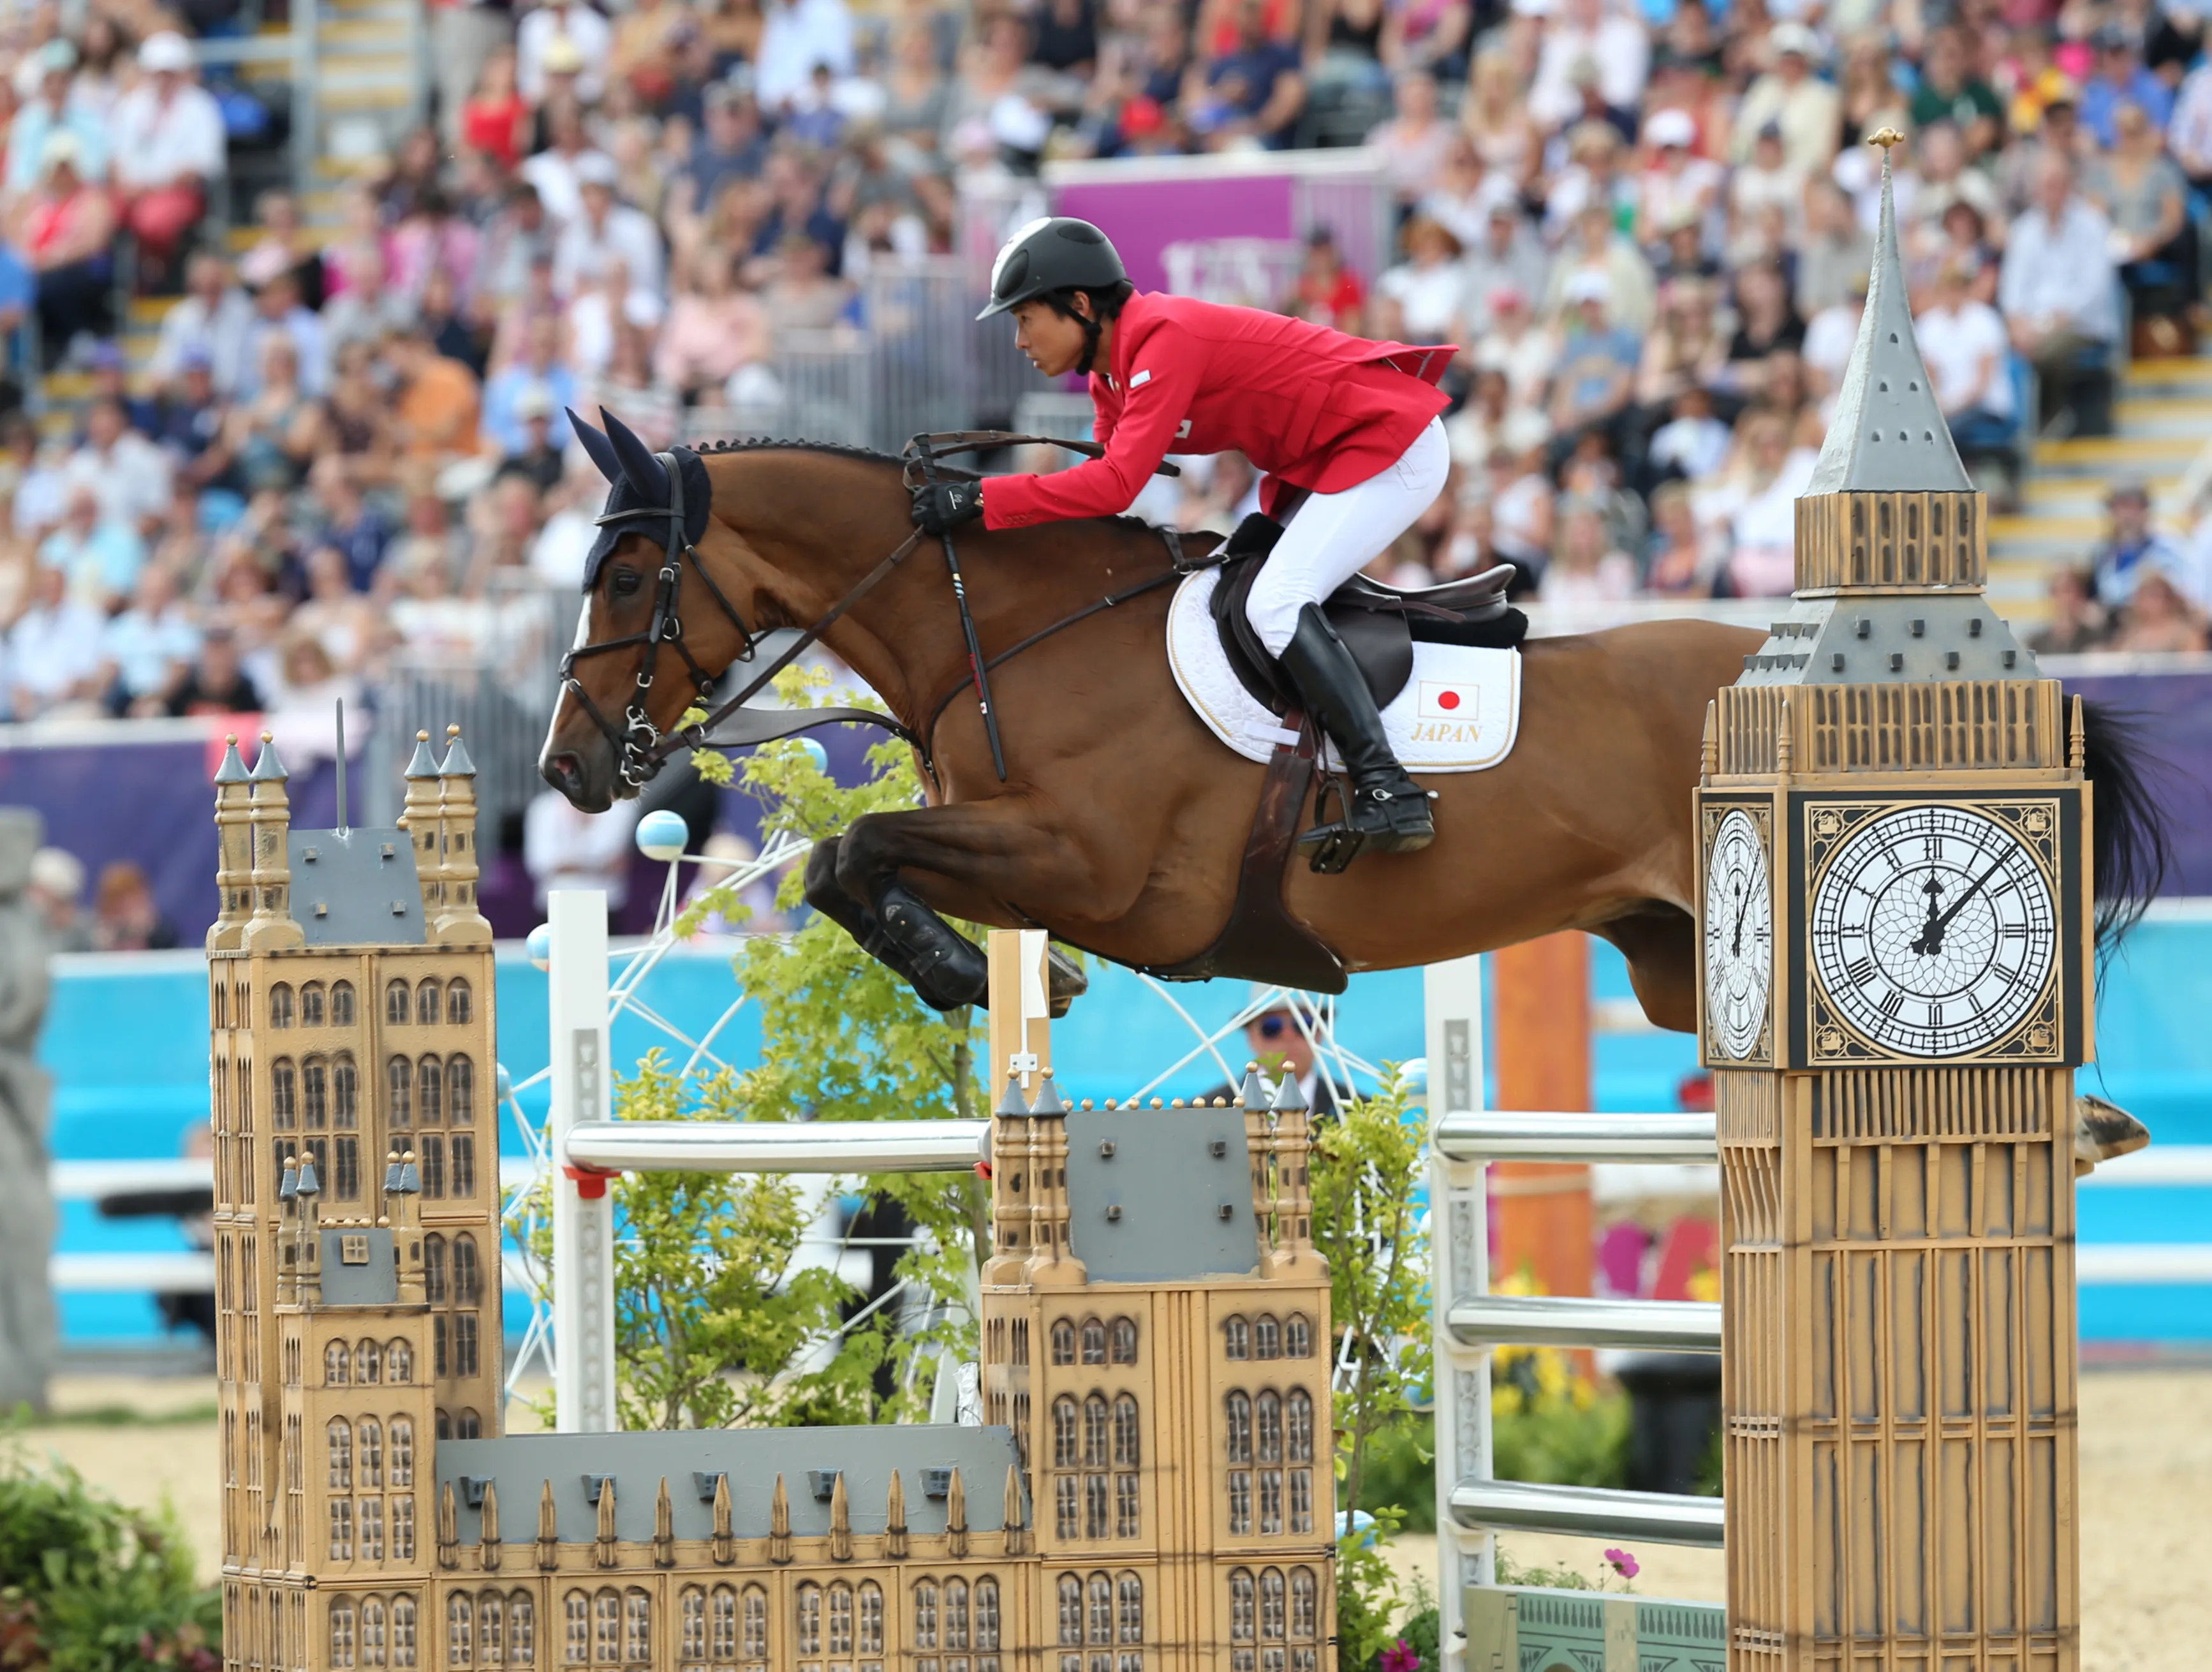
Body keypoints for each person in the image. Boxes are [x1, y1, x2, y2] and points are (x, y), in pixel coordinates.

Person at [913, 216, 1453, 861]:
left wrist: (982, 497)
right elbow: (1095, 496)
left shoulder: (1164, 337)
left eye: (1026, 318)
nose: (1020, 340)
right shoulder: (1107, 376)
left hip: (1390, 444)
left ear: (1080, 306)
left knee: (1275, 602)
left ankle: (1390, 788)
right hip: (1325, 465)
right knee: (1226, 591)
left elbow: (1113, 485)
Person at [1999, 157, 2119, 434]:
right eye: (2045, 185)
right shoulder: (2024, 230)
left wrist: (2053, 322)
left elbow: (2094, 289)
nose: (2051, 192)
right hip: (2034, 324)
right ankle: (2020, 428)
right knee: (1993, 346)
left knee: (2048, 349)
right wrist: (2018, 323)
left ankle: (2049, 413)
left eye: (2057, 184)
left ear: (2069, 185)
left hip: (2081, 324)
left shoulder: (2092, 225)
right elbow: (2012, 290)